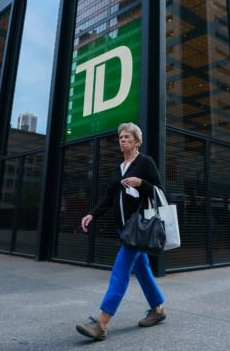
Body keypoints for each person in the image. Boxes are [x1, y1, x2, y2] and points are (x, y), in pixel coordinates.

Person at [76, 122, 167, 341]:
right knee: (143, 269)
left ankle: (102, 323)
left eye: (127, 136)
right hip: (123, 228)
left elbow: (159, 191)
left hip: (139, 229)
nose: (122, 140)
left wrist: (141, 183)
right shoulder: (119, 168)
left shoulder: (145, 163)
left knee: (121, 269)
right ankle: (158, 309)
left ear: (137, 141)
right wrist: (92, 214)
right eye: (120, 137)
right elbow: (109, 197)